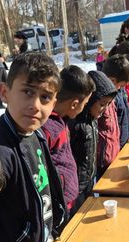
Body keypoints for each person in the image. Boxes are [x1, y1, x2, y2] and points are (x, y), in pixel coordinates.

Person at [0, 52, 67, 242]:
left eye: (45, 97)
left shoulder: (36, 132)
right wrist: (18, 237)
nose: (35, 105)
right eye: (28, 92)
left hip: (44, 237)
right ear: (4, 92)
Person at [41, 65, 95, 214]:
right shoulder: (48, 127)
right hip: (57, 204)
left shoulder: (61, 120)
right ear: (74, 104)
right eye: (84, 104)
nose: (84, 108)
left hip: (68, 199)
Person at [69, 71, 117, 214]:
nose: (105, 109)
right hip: (75, 190)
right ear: (90, 100)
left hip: (89, 183)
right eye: (102, 104)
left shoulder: (93, 120)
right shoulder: (76, 124)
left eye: (108, 104)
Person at [98, 54, 129, 178]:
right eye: (121, 85)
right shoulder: (104, 99)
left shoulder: (118, 91)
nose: (121, 89)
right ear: (112, 80)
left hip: (119, 148)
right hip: (108, 156)